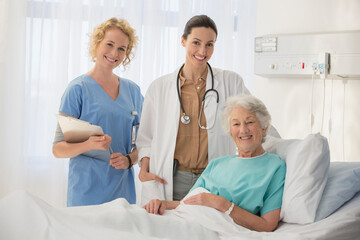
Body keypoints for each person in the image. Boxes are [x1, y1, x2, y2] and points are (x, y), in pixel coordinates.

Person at [136, 14, 279, 205]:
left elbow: (257, 117)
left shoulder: (231, 81)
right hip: (172, 178)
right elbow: (146, 138)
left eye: (209, 44)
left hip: (214, 178)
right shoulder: (159, 87)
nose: (202, 51)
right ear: (183, 41)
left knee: (209, 232)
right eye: (196, 42)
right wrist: (145, 170)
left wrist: (284, 150)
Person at [144, 94, 286, 232]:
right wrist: (163, 204)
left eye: (250, 122)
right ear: (230, 131)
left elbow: (267, 225)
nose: (243, 130)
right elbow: (190, 202)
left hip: (209, 229)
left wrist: (223, 204)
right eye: (236, 124)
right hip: (185, 220)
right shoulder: (217, 164)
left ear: (264, 127)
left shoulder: (274, 167)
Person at [52, 17, 143, 207]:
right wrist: (89, 144)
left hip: (122, 193)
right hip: (86, 193)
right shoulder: (78, 89)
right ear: (97, 44)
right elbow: (58, 149)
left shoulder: (133, 91)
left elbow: (145, 142)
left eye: (121, 48)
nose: (114, 53)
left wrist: (129, 159)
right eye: (109, 44)